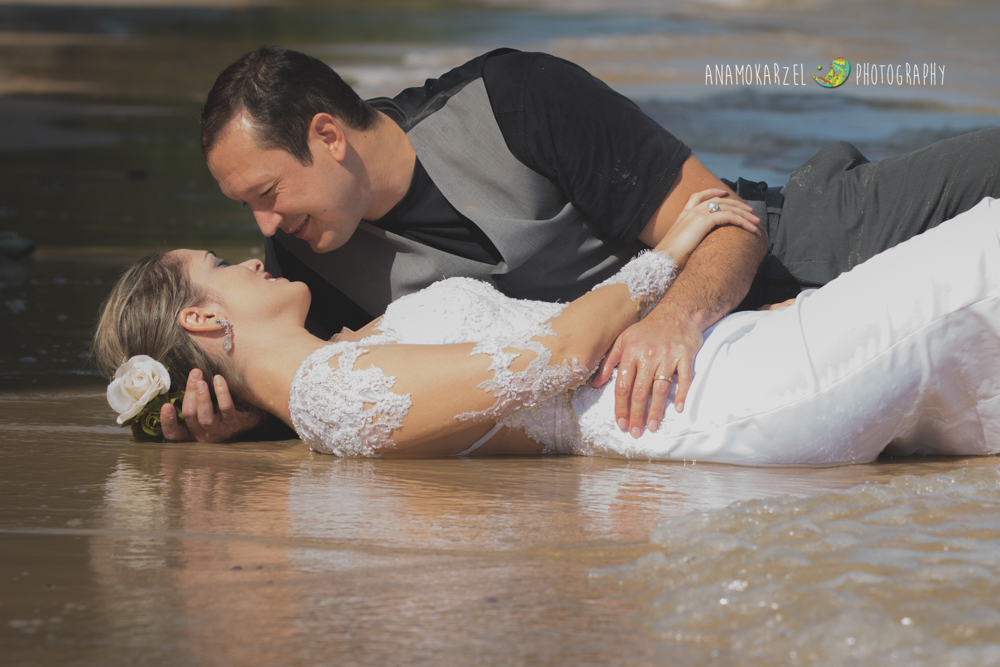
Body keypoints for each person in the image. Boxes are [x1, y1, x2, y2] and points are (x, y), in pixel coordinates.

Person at [172, 47, 1000, 444]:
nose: (264, 230)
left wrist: (675, 322)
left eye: (267, 194)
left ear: (328, 135)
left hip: (798, 245)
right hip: (726, 378)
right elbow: (354, 399)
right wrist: (228, 420)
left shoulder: (517, 100)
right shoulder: (303, 265)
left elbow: (720, 219)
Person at [94, 193, 1000, 465]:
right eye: (220, 266)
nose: (250, 257)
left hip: (722, 388)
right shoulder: (335, 397)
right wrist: (669, 255)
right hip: (711, 400)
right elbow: (561, 353)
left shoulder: (335, 379)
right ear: (204, 316)